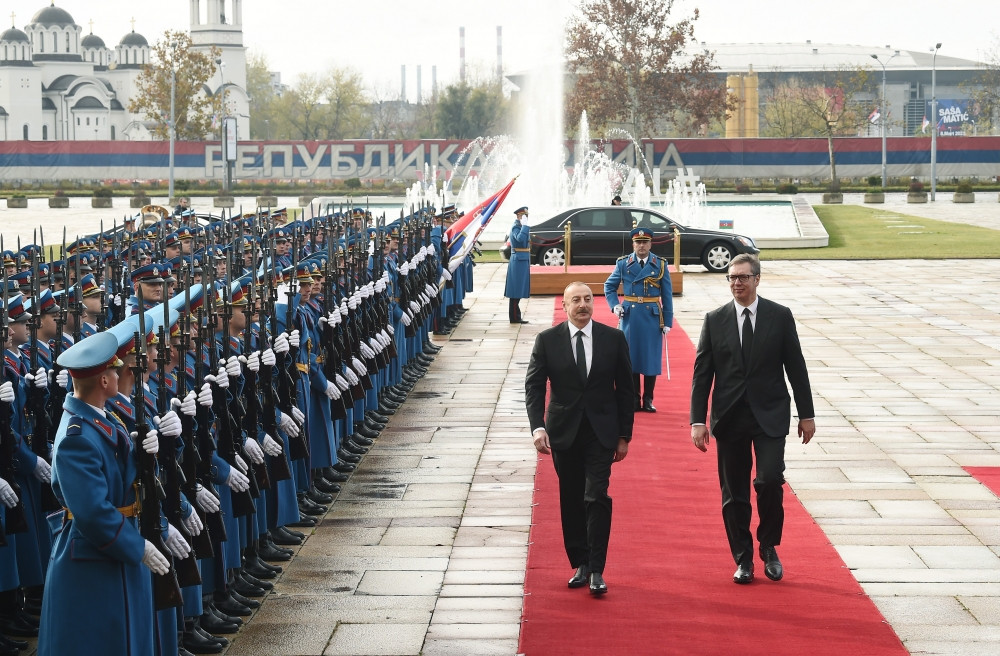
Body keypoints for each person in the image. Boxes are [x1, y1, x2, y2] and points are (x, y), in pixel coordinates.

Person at [689, 253, 815, 585]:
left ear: (757, 279)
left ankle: (769, 546)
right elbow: (702, 374)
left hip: (770, 414)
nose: (737, 283)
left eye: (743, 277)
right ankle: (743, 558)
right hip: (730, 417)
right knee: (734, 493)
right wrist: (697, 420)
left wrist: (806, 414)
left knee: (769, 480)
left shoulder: (779, 316)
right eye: (732, 277)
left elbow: (796, 367)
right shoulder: (714, 319)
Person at [38, 331, 165, 655]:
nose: (121, 375)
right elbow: (93, 512)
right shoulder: (77, 437)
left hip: (112, 547)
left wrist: (143, 455)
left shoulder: (102, 417)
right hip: (94, 558)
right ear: (105, 381)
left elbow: (119, 475)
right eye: (114, 371)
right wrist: (137, 547)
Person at [525, 282, 634, 595]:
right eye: (576, 300)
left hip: (601, 432)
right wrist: (537, 427)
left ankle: (597, 569)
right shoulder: (547, 340)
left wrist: (624, 435)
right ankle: (581, 563)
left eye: (587, 299)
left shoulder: (613, 338)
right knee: (571, 498)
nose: (583, 305)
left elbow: (626, 390)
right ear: (565, 305)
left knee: (596, 495)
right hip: (564, 432)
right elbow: (534, 386)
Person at [604, 227, 673, 412]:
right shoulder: (623, 263)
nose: (641, 246)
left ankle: (648, 399)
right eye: (638, 242)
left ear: (650, 244)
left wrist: (667, 321)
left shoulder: (660, 265)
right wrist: (615, 305)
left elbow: (667, 295)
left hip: (652, 317)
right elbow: (609, 286)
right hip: (630, 316)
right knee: (631, 358)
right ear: (633, 244)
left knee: (650, 358)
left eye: (645, 242)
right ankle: (633, 399)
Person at [505, 206, 531, 324]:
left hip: (522, 259)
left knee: (519, 289)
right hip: (518, 260)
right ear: (519, 216)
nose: (526, 218)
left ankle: (516, 316)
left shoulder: (520, 226)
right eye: (524, 216)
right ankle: (515, 317)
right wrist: (525, 226)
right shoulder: (516, 227)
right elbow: (520, 239)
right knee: (516, 290)